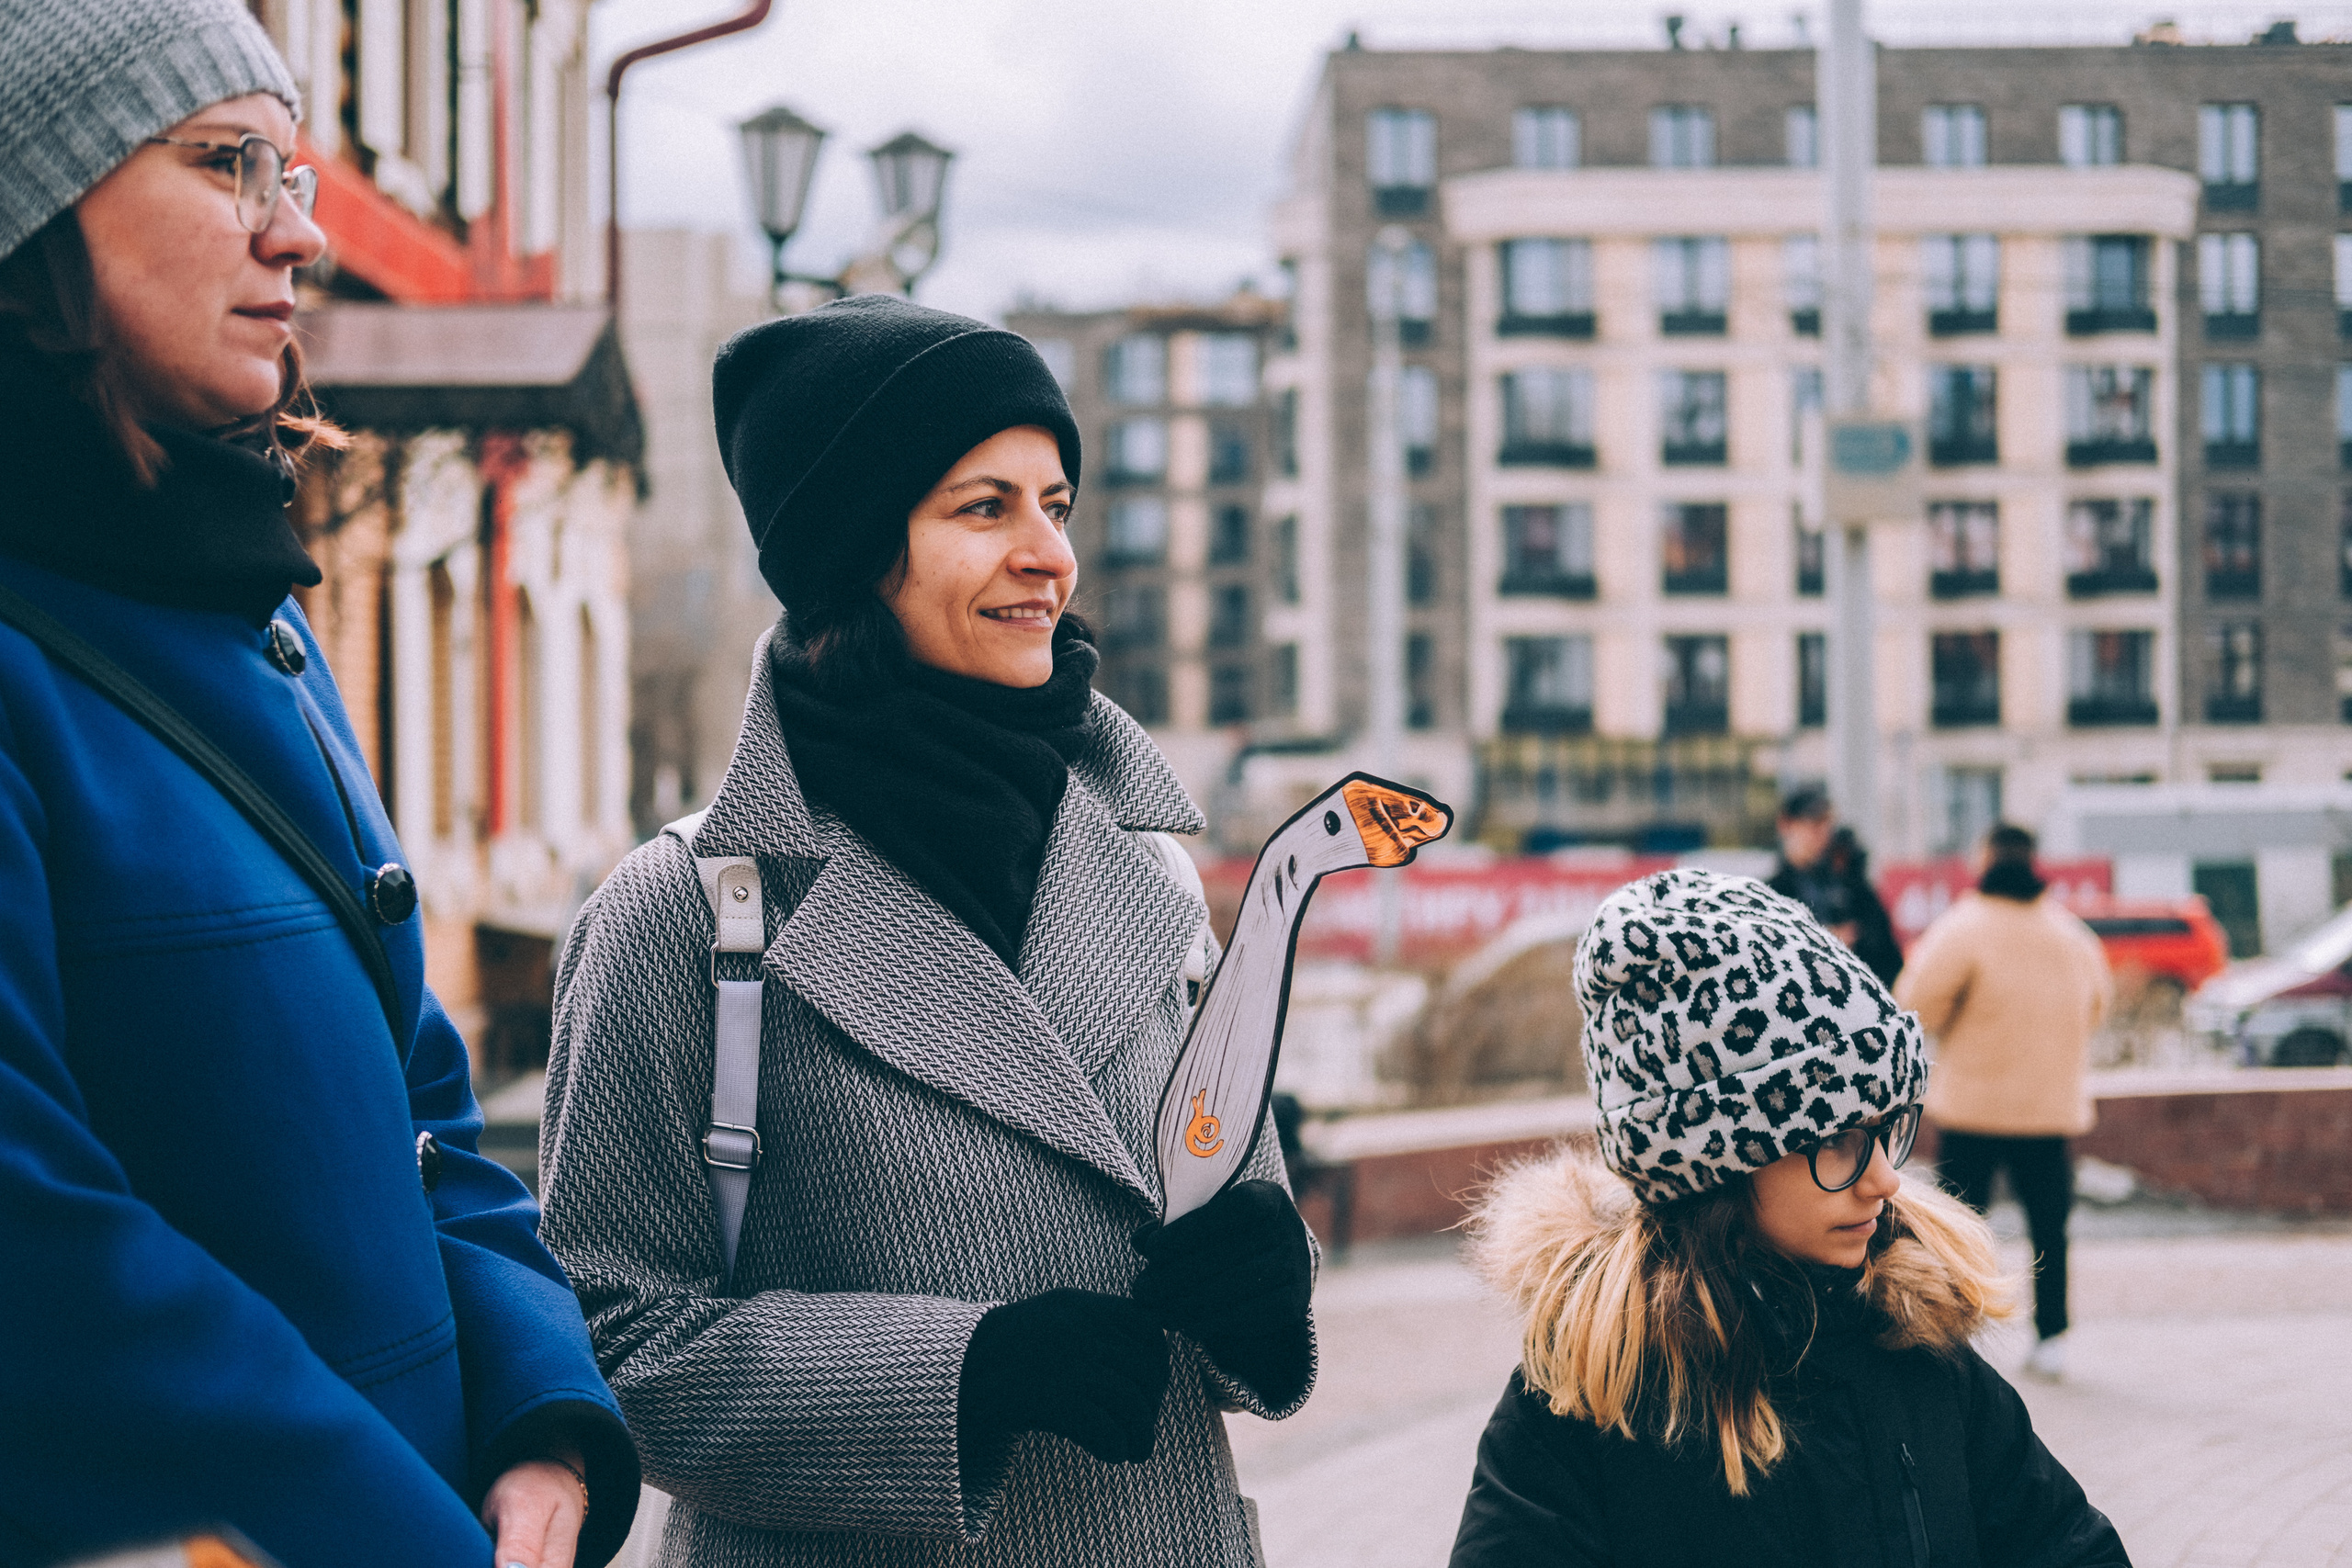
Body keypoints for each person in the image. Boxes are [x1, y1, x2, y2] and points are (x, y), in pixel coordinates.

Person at [0, 3, 639, 1564]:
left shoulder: (256, 615)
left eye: (291, 168)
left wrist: (538, 1415)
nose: (300, 234)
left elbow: (422, 1100)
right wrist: (404, 1534)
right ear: (36, 215)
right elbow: (44, 1256)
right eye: (229, 165)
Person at [539, 296, 1316, 1566]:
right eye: (983, 506)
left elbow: (1238, 1214)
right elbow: (608, 1337)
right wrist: (964, 1377)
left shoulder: (1152, 873)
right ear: (856, 546)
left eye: (1055, 503)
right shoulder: (686, 912)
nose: (1048, 555)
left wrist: (1268, 1287)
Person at [1448, 869, 2128, 1567]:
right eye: (1834, 1138)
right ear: (1713, 1165)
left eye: (1885, 1125)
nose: (1886, 1179)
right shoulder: (1583, 1398)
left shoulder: (1912, 1341)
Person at [1896, 823, 2113, 1382]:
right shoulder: (2073, 936)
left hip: (1974, 1109)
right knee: (2049, 1227)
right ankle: (2053, 1336)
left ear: (1985, 859)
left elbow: (1916, 1004)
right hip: (2049, 1111)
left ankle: (1950, 1335)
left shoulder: (1961, 930)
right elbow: (2097, 1008)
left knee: (1960, 1229)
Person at [1768, 784, 1903, 986]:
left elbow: (1889, 959)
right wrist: (1822, 941)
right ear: (1786, 824)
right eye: (1813, 824)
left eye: (1827, 825)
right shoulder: (1773, 893)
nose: (1822, 835)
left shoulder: (1853, 887)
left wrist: (1858, 940)